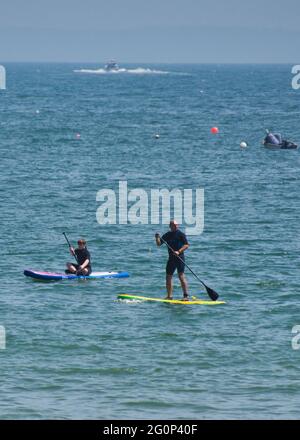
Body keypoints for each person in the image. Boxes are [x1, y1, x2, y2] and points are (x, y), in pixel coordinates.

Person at [155, 220, 189, 301]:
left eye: (177, 225)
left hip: (180, 258)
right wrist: (157, 238)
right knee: (168, 277)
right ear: (170, 226)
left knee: (181, 276)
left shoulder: (181, 234)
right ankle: (169, 296)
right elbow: (159, 244)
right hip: (171, 259)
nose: (176, 226)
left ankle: (185, 296)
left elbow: (186, 245)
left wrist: (179, 251)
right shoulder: (168, 234)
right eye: (174, 225)